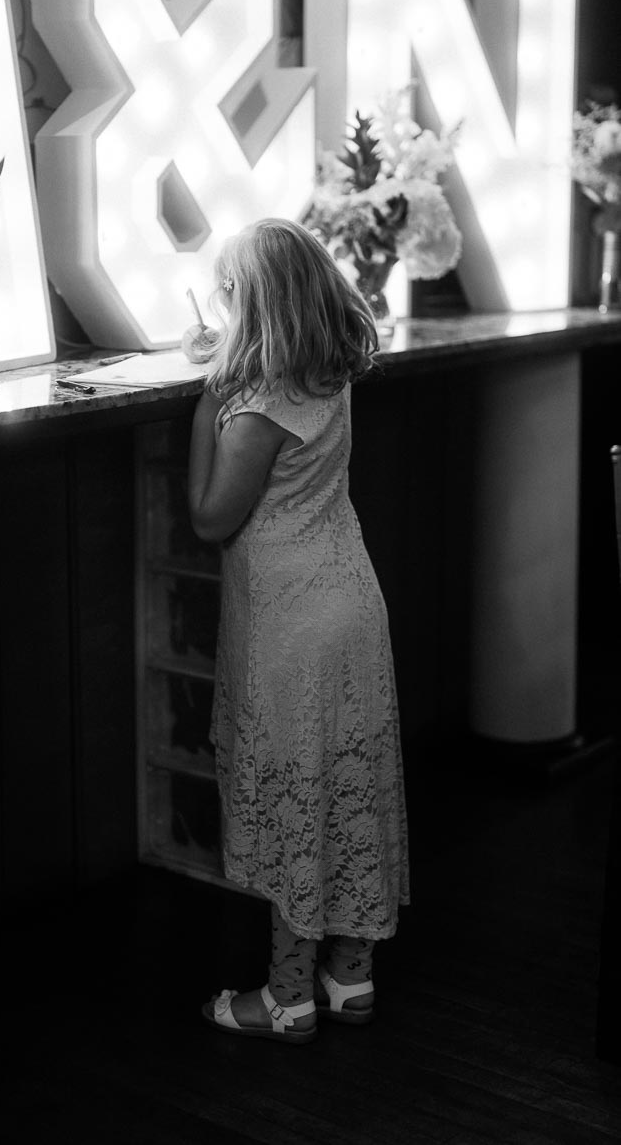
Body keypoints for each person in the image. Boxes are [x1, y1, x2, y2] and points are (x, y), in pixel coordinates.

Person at [184, 217, 409, 1045]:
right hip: (353, 605)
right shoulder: (328, 372)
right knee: (347, 786)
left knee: (292, 801)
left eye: (228, 291)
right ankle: (349, 976)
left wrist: (208, 397)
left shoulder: (253, 409)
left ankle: (286, 998)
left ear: (252, 305)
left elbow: (210, 518)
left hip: (290, 625)